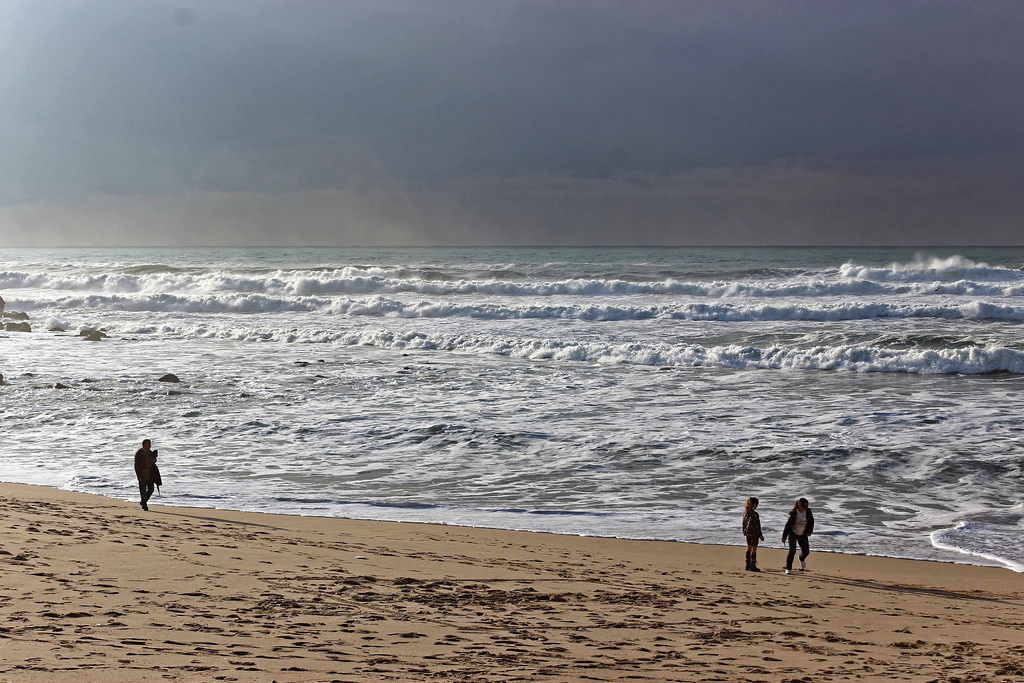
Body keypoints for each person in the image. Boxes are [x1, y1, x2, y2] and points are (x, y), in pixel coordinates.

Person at [782, 497, 814, 574]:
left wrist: (809, 531)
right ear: (799, 505)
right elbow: (788, 525)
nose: (805, 508)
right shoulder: (794, 513)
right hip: (793, 533)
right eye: (804, 506)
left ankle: (801, 558)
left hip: (803, 533)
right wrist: (784, 536)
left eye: (806, 506)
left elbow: (811, 522)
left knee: (806, 552)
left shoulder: (808, 511)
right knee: (792, 551)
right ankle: (788, 568)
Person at [134, 439, 161, 511]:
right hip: (142, 474)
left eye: (150, 444)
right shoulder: (139, 453)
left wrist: (154, 460)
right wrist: (139, 476)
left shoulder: (150, 452)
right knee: (142, 491)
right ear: (144, 445)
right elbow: (137, 466)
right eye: (148, 444)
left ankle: (143, 502)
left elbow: (154, 460)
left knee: (151, 489)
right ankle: (144, 506)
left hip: (150, 475)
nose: (150, 446)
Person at [742, 497, 764, 571]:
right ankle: (753, 565)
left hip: (748, 533)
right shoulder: (755, 514)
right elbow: (757, 525)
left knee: (748, 548)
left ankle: (747, 565)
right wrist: (760, 535)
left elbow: (744, 524)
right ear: (754, 504)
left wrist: (744, 532)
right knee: (754, 549)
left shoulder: (746, 513)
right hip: (754, 534)